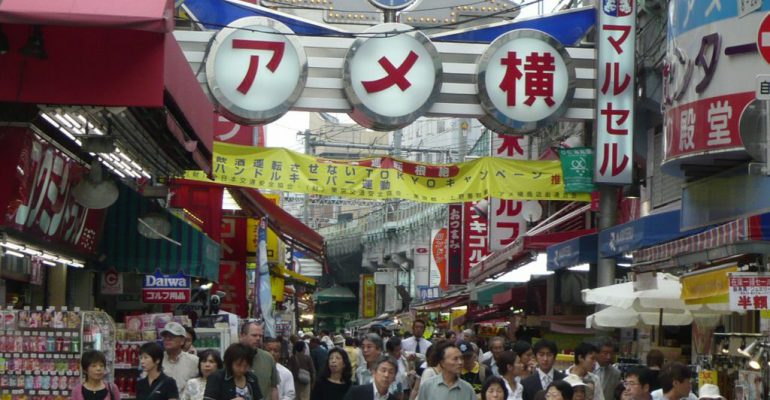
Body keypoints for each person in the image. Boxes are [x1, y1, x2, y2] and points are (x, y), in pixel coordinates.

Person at [240, 320, 280, 400]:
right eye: (254, 335)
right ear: (242, 336)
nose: (258, 338)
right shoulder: (231, 357)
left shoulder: (268, 358)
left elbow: (273, 388)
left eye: (260, 336)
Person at [161, 322, 200, 393]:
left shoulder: (194, 361)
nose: (167, 338)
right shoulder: (157, 360)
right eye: (165, 336)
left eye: (172, 336)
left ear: (182, 341)